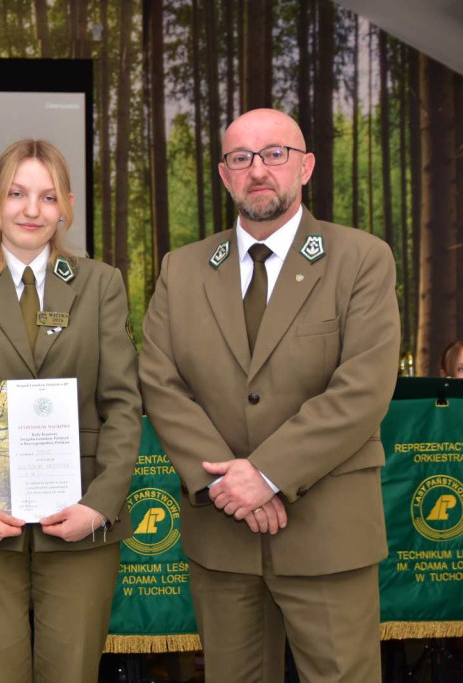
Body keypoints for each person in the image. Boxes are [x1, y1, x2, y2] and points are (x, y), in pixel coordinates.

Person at [139, 108, 400, 682]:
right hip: (222, 535)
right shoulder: (181, 270)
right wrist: (227, 484)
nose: (258, 170)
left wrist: (266, 474)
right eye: (241, 158)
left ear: (305, 167)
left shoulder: (361, 259)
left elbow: (363, 387)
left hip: (327, 533)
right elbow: (160, 383)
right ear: (224, 175)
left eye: (275, 154)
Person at [0, 139, 142, 683]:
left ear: (67, 205)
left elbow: (122, 404)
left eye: (48, 196)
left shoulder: (101, 284)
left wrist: (100, 504)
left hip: (79, 521)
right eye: (17, 193)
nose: (32, 210)